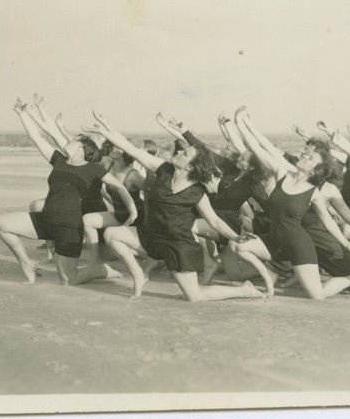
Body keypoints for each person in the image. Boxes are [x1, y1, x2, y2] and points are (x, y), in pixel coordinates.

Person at [87, 112, 265, 302]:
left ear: (190, 167)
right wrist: (105, 128)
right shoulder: (164, 169)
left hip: (178, 246)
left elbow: (214, 220)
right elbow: (131, 149)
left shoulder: (197, 192)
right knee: (112, 234)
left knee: (195, 296)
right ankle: (138, 275)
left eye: (184, 153)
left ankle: (244, 290)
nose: (179, 151)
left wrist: (236, 237)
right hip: (152, 236)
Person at [0, 98, 137, 286]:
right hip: (46, 219)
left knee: (68, 280)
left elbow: (119, 186)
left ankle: (101, 270)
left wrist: (132, 209)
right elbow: (37, 138)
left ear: (82, 146)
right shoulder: (58, 160)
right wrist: (23, 115)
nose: (67, 141)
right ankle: (27, 263)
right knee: (1, 223)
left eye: (74, 140)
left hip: (69, 228)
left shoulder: (93, 168)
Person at [230, 108, 350, 300]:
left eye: (310, 158)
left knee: (316, 295)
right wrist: (241, 124)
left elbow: (328, 222)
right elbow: (260, 148)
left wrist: (347, 245)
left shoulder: (314, 192)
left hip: (299, 245)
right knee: (239, 246)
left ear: (315, 169)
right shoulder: (282, 173)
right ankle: (268, 278)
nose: (304, 156)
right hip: (275, 240)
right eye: (305, 154)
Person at [82, 145, 145, 262]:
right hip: (119, 214)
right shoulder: (108, 163)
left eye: (118, 148)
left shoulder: (132, 175)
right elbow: (87, 151)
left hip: (137, 217)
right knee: (87, 220)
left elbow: (152, 191)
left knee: (111, 242)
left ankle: (139, 253)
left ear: (126, 154)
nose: (113, 149)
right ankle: (95, 262)